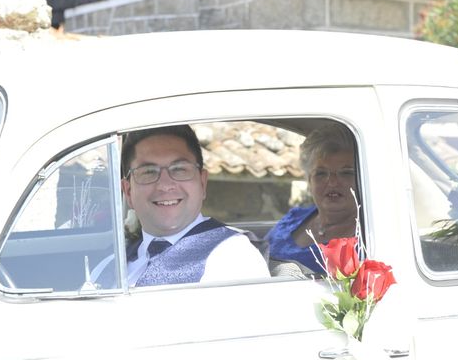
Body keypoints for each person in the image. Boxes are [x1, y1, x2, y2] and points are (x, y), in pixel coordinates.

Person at [120, 125, 270, 287]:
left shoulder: (234, 258)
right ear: (128, 192)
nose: (165, 185)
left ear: (202, 183)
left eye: (179, 169)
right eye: (149, 171)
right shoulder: (111, 263)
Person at [266, 123, 358, 276]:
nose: (333, 182)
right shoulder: (294, 218)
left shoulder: (367, 233)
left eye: (346, 173)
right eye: (321, 173)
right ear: (309, 180)